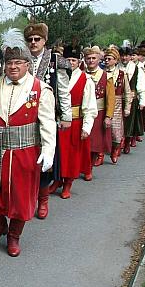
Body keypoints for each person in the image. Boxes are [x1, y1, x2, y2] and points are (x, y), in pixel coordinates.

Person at [0, 28, 56, 257]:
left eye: (18, 63)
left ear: (27, 65)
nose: (13, 67)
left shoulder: (40, 89)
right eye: (9, 63)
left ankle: (14, 235)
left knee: (20, 198)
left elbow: (48, 123)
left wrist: (48, 151)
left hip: (25, 152)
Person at [24, 22, 71, 220]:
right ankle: (27, 199)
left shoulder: (56, 60)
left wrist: (66, 115)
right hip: (24, 117)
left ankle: (43, 200)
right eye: (30, 40)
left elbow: (63, 90)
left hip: (47, 116)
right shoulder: (21, 58)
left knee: (45, 160)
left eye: (37, 39)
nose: (33, 43)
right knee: (26, 161)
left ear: (45, 40)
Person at [55, 45, 96, 198]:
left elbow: (90, 106)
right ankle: (57, 180)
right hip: (58, 121)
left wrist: (87, 127)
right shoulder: (58, 75)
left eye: (73, 60)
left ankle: (68, 184)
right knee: (58, 154)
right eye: (68, 59)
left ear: (79, 62)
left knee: (71, 155)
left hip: (75, 122)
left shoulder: (86, 80)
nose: (71, 63)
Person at [86, 47, 116, 171]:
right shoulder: (80, 74)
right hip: (84, 112)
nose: (91, 60)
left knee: (95, 143)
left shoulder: (106, 76)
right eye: (88, 58)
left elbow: (111, 99)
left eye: (94, 58)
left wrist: (108, 116)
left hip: (99, 112)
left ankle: (89, 168)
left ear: (99, 60)